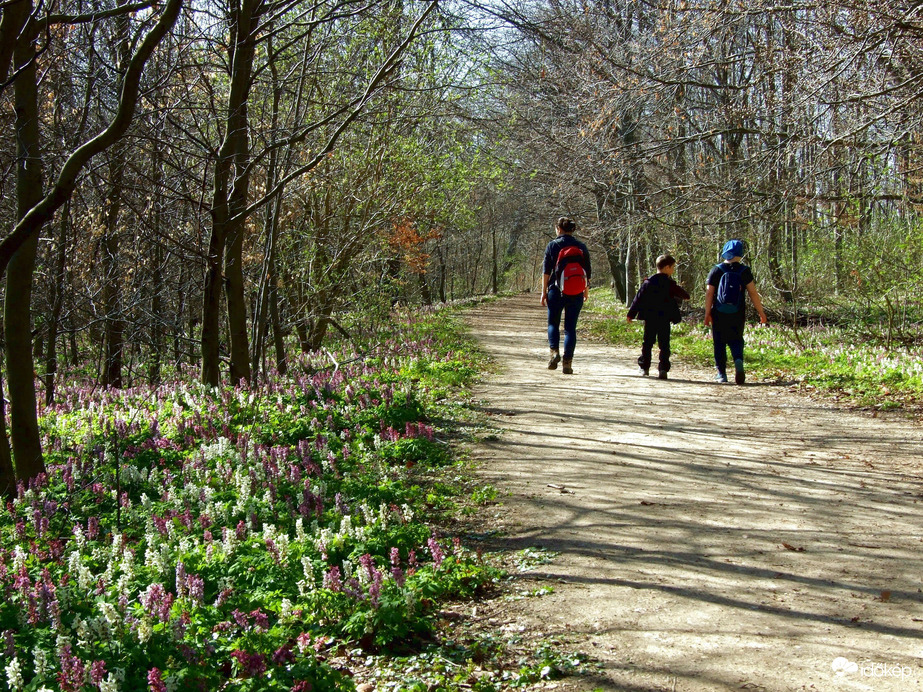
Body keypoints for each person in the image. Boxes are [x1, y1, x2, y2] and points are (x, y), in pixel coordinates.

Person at [703, 239, 768, 384]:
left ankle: (721, 374)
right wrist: (761, 313)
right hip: (737, 313)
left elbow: (709, 294)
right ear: (741, 254)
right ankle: (738, 360)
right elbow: (753, 293)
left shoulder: (716, 270)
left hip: (719, 313)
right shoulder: (744, 271)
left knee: (719, 342)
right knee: (737, 339)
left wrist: (707, 314)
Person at [627, 254, 691, 380]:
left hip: (650, 318)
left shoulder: (648, 282)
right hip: (664, 318)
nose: (673, 270)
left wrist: (631, 314)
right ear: (667, 267)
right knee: (664, 344)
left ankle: (644, 367)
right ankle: (663, 369)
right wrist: (683, 295)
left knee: (648, 342)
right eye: (672, 267)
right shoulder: (670, 284)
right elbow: (685, 295)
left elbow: (637, 299)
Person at [540, 217, 591, 374]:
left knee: (553, 324)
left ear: (559, 229)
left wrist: (544, 292)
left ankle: (554, 353)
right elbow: (587, 272)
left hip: (556, 290)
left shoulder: (553, 245)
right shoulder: (581, 246)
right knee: (570, 329)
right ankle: (567, 363)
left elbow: (546, 271)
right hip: (576, 291)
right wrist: (585, 290)